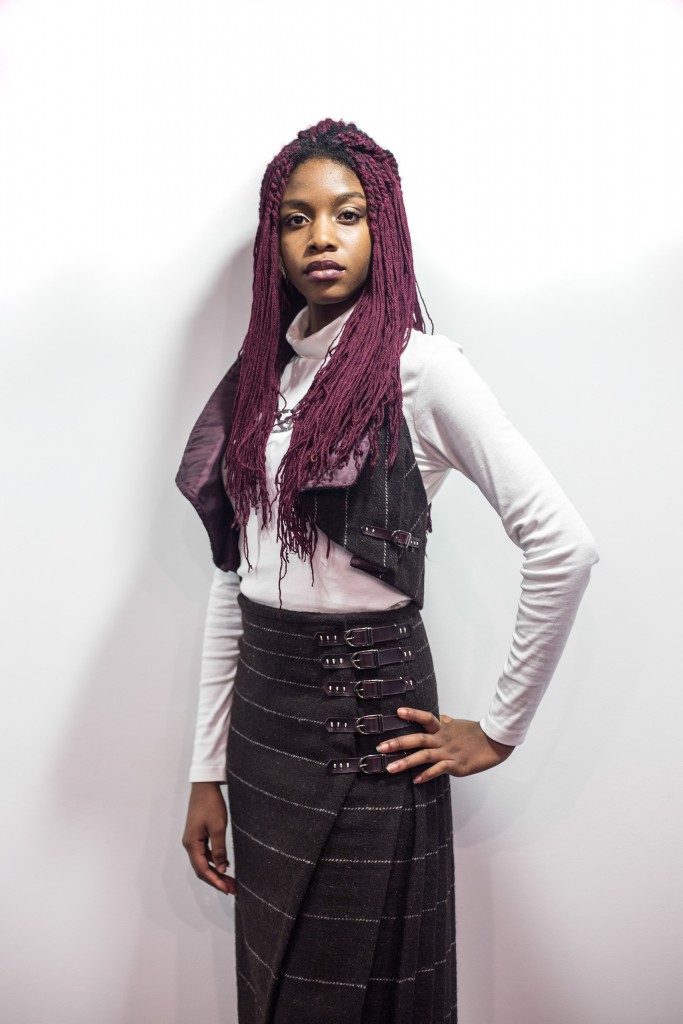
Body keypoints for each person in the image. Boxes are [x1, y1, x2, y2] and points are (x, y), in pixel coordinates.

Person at [176, 118, 599, 1024]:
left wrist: (499, 729)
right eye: (296, 219)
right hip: (263, 732)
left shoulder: (422, 370)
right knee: (274, 995)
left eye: (347, 214)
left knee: (365, 998)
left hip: (371, 726)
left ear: (384, 230)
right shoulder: (263, 379)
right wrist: (205, 768)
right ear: (274, 241)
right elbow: (233, 577)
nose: (320, 237)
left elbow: (562, 544)